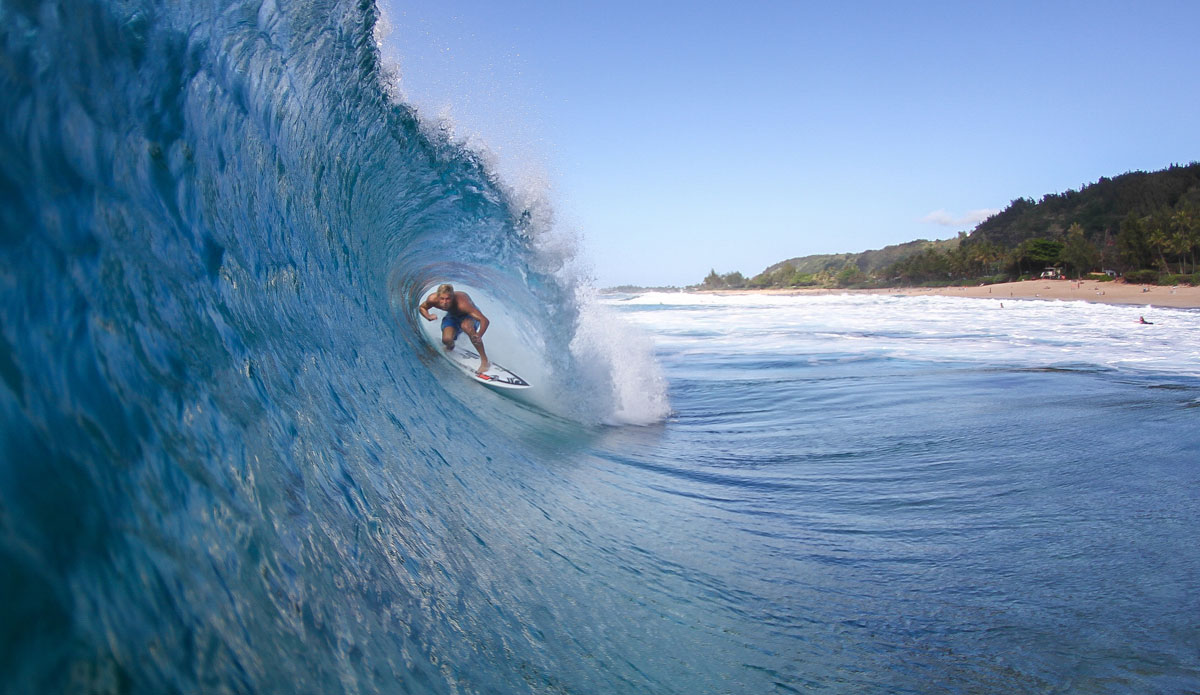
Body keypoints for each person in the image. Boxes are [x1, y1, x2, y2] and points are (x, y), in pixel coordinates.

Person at [419, 283, 491, 373]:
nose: (445, 302)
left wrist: (479, 335)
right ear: (438, 297)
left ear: (452, 297)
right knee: (446, 339)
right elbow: (422, 307)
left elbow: (484, 320)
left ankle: (485, 361)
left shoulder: (463, 304)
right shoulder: (433, 299)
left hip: (469, 316)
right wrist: (428, 316)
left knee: (466, 326)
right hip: (453, 316)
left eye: (448, 299)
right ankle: (450, 346)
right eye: (442, 299)